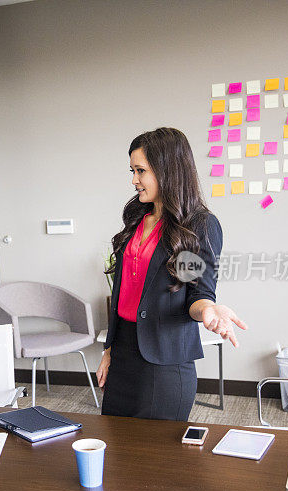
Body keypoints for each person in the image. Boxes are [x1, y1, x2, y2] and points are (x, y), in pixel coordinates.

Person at [97, 127, 248, 421]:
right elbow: (123, 292)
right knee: (115, 449)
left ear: (167, 170)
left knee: (155, 461)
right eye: (133, 170)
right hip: (124, 352)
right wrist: (110, 349)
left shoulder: (196, 227)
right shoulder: (138, 216)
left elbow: (196, 293)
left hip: (162, 363)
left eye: (141, 170)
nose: (134, 179)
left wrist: (208, 310)